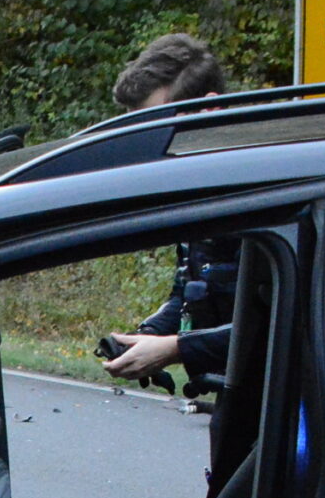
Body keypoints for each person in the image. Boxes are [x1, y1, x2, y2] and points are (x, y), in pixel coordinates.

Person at [98, 35, 237, 386]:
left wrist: (176, 349)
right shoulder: (199, 186)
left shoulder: (256, 193)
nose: (150, 145)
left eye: (158, 126)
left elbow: (280, 324)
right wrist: (148, 336)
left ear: (209, 109)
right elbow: (191, 293)